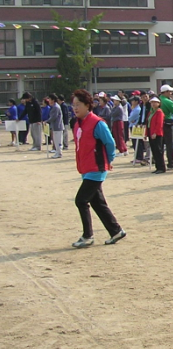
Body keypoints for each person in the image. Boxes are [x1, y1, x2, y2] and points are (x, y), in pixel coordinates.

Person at [69, 89, 125, 248]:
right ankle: (116, 230)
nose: (75, 108)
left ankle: (88, 236)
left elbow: (110, 142)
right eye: (73, 105)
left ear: (88, 105)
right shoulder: (78, 123)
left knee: (81, 200)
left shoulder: (97, 122)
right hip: (86, 168)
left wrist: (109, 160)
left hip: (96, 168)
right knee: (97, 202)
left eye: (78, 105)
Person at [146, 96, 166, 174]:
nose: (153, 104)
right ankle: (158, 167)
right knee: (154, 151)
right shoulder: (151, 112)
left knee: (158, 151)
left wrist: (155, 133)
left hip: (157, 134)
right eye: (152, 102)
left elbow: (159, 124)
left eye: (155, 102)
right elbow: (148, 123)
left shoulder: (159, 112)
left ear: (159, 103)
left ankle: (162, 167)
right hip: (150, 133)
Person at [45, 94, 64, 158]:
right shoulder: (54, 106)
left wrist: (46, 121)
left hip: (58, 126)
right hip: (55, 127)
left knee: (58, 141)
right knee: (55, 140)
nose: (49, 101)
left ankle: (59, 153)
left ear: (53, 100)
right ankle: (57, 152)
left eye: (50, 99)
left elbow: (53, 117)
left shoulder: (56, 107)